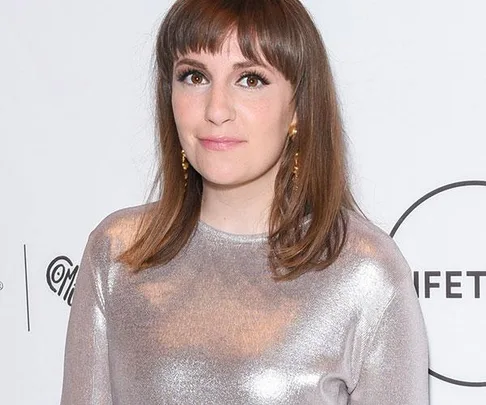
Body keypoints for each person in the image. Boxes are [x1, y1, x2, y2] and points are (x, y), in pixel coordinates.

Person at [60, 0, 429, 404]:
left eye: (250, 79)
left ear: (298, 108)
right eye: (194, 76)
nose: (216, 109)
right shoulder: (117, 253)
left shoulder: (365, 271)